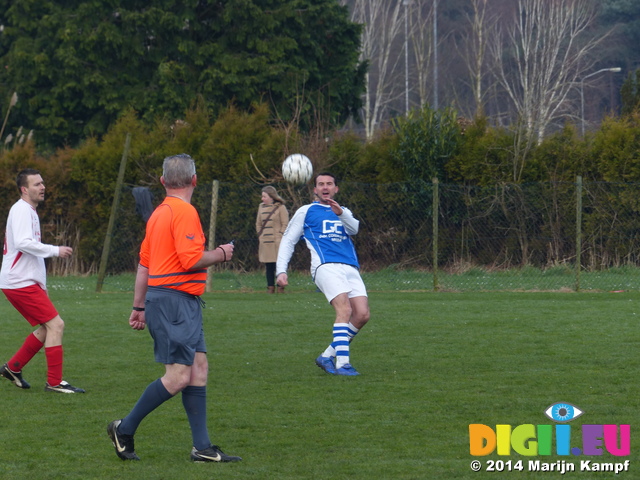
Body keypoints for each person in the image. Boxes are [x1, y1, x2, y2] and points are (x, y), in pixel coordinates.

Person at [107, 154, 241, 463]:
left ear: (163, 181)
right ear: (195, 181)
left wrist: (139, 305)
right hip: (174, 302)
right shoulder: (184, 211)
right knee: (180, 376)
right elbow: (191, 259)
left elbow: (144, 265)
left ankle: (202, 448)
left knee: (199, 369)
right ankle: (124, 429)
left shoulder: (158, 214)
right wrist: (221, 253)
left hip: (174, 301)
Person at [0, 168, 85, 393]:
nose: (43, 187)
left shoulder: (28, 211)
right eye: (37, 184)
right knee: (56, 325)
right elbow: (22, 243)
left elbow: (28, 251)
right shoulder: (21, 210)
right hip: (19, 281)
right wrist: (55, 250)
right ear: (24, 189)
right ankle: (54, 383)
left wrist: (41, 284)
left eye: (42, 183)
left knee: (47, 328)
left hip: (23, 281)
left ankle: (13, 368)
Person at [276, 172, 370, 376]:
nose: (325, 187)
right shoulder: (306, 211)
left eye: (329, 184)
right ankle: (343, 364)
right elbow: (288, 240)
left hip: (350, 266)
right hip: (325, 266)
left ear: (336, 189)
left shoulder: (343, 211)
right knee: (344, 310)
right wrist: (281, 270)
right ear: (315, 190)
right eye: (321, 184)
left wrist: (340, 213)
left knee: (362, 315)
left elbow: (354, 229)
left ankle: (326, 356)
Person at [255, 186, 289, 293]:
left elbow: (285, 223)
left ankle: (280, 287)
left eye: (264, 196)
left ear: (271, 197)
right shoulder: (261, 207)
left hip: (277, 241)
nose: (262, 199)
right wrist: (261, 236)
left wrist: (280, 234)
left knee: (279, 265)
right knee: (268, 265)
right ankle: (270, 287)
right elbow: (258, 223)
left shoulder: (281, 208)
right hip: (265, 241)